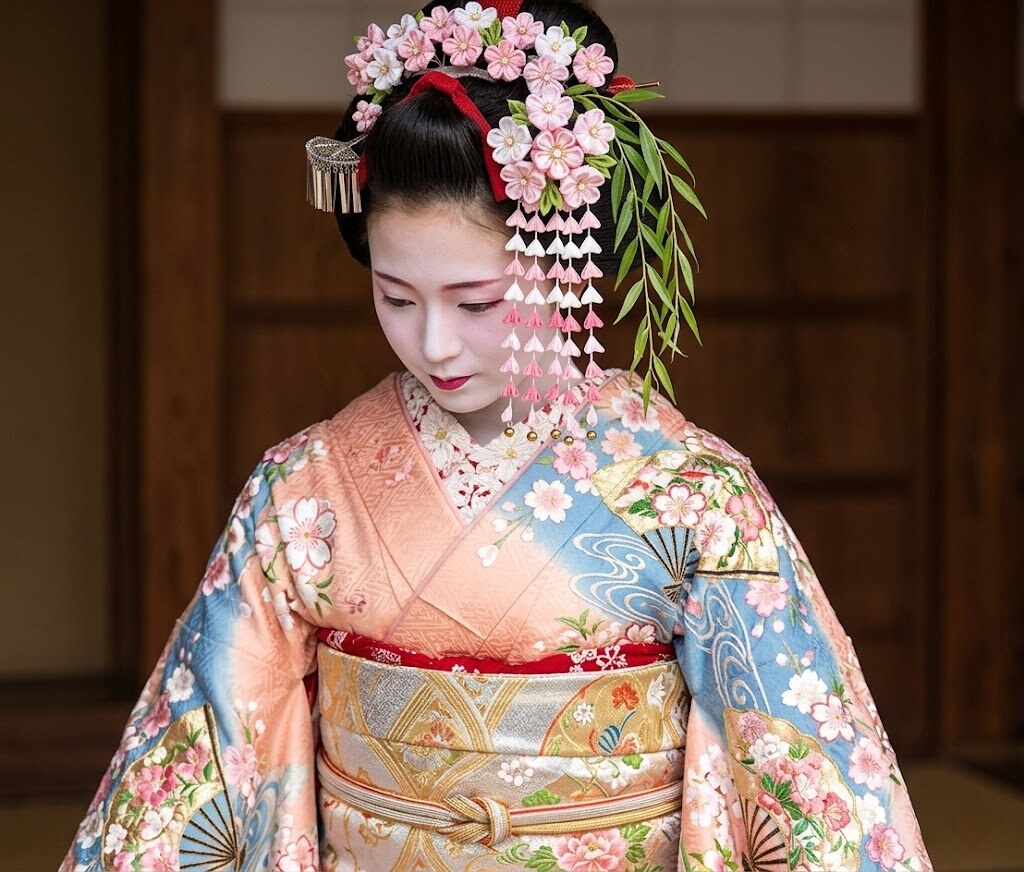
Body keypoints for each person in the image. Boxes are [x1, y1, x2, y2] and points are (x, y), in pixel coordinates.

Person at [63, 1, 932, 869]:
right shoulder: (306, 488)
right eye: (396, 297)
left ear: (566, 260)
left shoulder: (694, 494)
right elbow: (202, 756)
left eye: (476, 302)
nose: (433, 342)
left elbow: (805, 767)